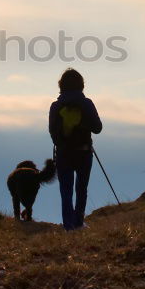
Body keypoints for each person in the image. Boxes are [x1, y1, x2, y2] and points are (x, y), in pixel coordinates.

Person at [49, 68, 102, 231]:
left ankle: (68, 227)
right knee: (81, 188)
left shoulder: (56, 106)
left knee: (66, 190)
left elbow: (53, 132)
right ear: (81, 85)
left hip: (64, 153)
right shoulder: (86, 104)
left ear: (61, 86)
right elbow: (98, 128)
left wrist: (62, 144)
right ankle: (79, 223)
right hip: (84, 152)